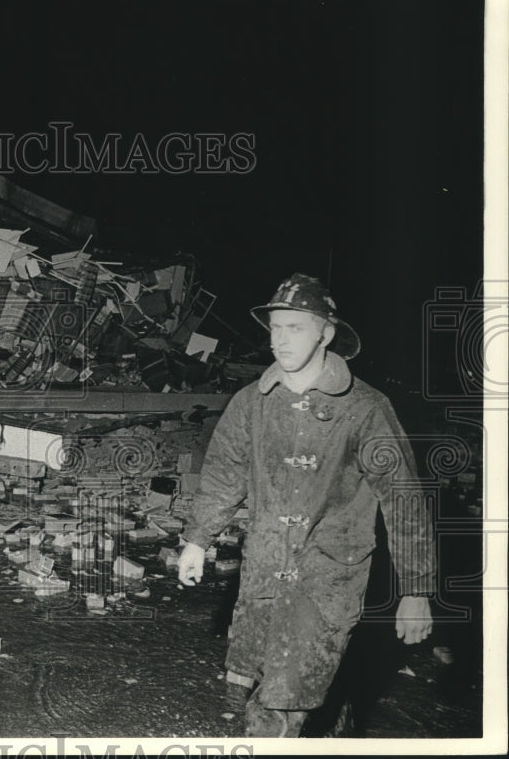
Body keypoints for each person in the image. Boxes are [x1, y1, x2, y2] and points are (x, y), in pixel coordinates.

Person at [177, 273, 435, 737]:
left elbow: (404, 500)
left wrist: (416, 590)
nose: (280, 339)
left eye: (295, 327)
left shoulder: (365, 408)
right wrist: (197, 540)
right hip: (264, 570)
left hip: (327, 579)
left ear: (325, 334)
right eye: (276, 328)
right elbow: (223, 474)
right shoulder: (252, 403)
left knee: (281, 701)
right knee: (276, 684)